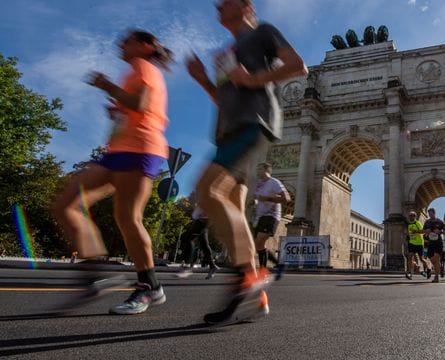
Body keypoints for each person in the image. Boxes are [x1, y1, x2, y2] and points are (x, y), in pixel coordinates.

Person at [186, 0, 307, 325]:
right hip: (228, 131)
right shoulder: (226, 51)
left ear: (245, 6)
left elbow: (298, 66)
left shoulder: (263, 32)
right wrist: (201, 79)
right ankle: (257, 295)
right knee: (233, 207)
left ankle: (244, 278)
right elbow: (224, 96)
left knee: (205, 191)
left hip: (253, 125)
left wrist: (254, 79)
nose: (217, 6)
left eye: (225, 2)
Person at [53, 30, 173, 315]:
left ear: (144, 46)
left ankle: (150, 286)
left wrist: (106, 85)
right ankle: (97, 271)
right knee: (65, 204)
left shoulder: (146, 68)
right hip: (116, 151)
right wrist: (116, 111)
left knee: (128, 218)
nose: (121, 44)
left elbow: (140, 104)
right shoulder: (133, 71)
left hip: (142, 149)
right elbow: (133, 108)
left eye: (127, 41)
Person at [252, 162, 290, 279]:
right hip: (260, 217)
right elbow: (256, 198)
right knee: (259, 245)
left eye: (259, 169)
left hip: (272, 216)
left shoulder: (274, 182)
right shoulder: (258, 184)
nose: (257, 171)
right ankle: (279, 265)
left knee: (259, 242)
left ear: (266, 170)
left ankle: (262, 272)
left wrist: (267, 198)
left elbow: (286, 198)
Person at [176, 206, 220, 279]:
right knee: (204, 244)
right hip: (203, 220)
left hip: (202, 220)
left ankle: (187, 267)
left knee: (188, 239)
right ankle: (212, 266)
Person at [424, 208, 445, 283]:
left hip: (438, 243)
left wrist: (440, 231)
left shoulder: (440, 221)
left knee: (436, 259)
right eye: (429, 214)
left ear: (434, 213)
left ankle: (436, 277)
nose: (430, 215)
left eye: (431, 214)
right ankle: (441, 268)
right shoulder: (427, 222)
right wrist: (425, 232)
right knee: (432, 260)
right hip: (430, 243)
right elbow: (423, 231)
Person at [405, 211, 428, 280]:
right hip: (412, 243)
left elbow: (423, 231)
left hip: (419, 243)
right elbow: (409, 233)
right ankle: (410, 273)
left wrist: (416, 231)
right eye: (410, 216)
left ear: (415, 216)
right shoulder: (408, 224)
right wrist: (407, 237)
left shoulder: (417, 223)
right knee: (409, 257)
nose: (410, 217)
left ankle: (426, 270)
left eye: (412, 216)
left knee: (421, 259)